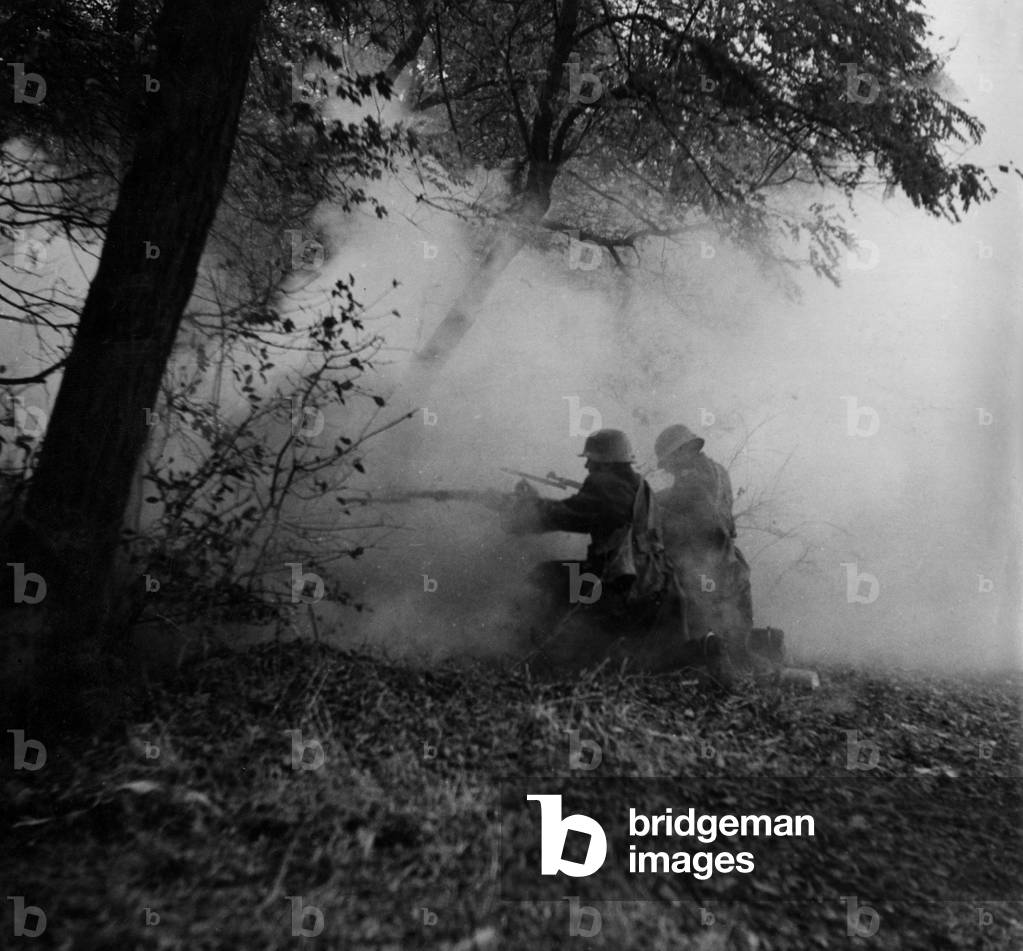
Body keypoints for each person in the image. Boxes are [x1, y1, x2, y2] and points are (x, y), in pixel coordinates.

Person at [500, 428, 724, 677]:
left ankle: (529, 653)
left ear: (605, 462)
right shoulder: (641, 487)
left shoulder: (606, 484)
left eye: (591, 459)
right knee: (645, 663)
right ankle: (704, 649)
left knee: (545, 576)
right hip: (658, 586)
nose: (586, 465)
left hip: (617, 586)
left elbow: (570, 515)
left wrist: (525, 513)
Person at [653, 424, 754, 664]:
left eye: (668, 460)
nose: (668, 467)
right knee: (729, 627)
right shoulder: (717, 471)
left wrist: (647, 500)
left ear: (681, 451)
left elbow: (687, 505)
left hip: (701, 560)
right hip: (727, 557)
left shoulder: (692, 477)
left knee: (696, 627)